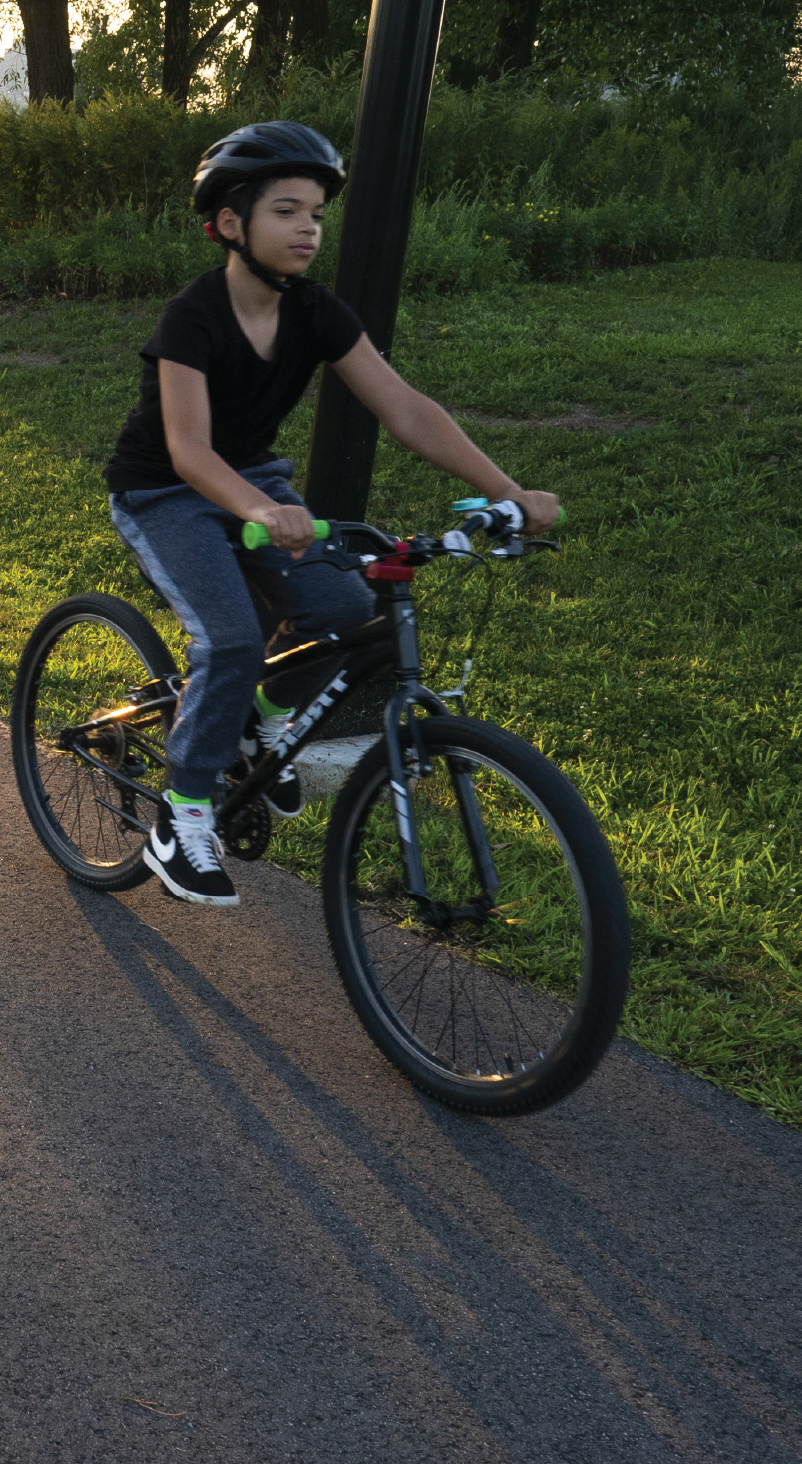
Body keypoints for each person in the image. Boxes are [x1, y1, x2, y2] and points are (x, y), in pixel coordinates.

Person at [102, 119, 562, 909]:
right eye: (285, 209)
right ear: (227, 224)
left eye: (315, 211)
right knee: (229, 635)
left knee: (346, 607)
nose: (308, 227)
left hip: (251, 483)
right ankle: (182, 816)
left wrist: (506, 491)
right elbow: (186, 451)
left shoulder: (315, 313)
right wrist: (258, 508)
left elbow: (406, 410)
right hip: (165, 491)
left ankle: (253, 716)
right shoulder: (194, 317)